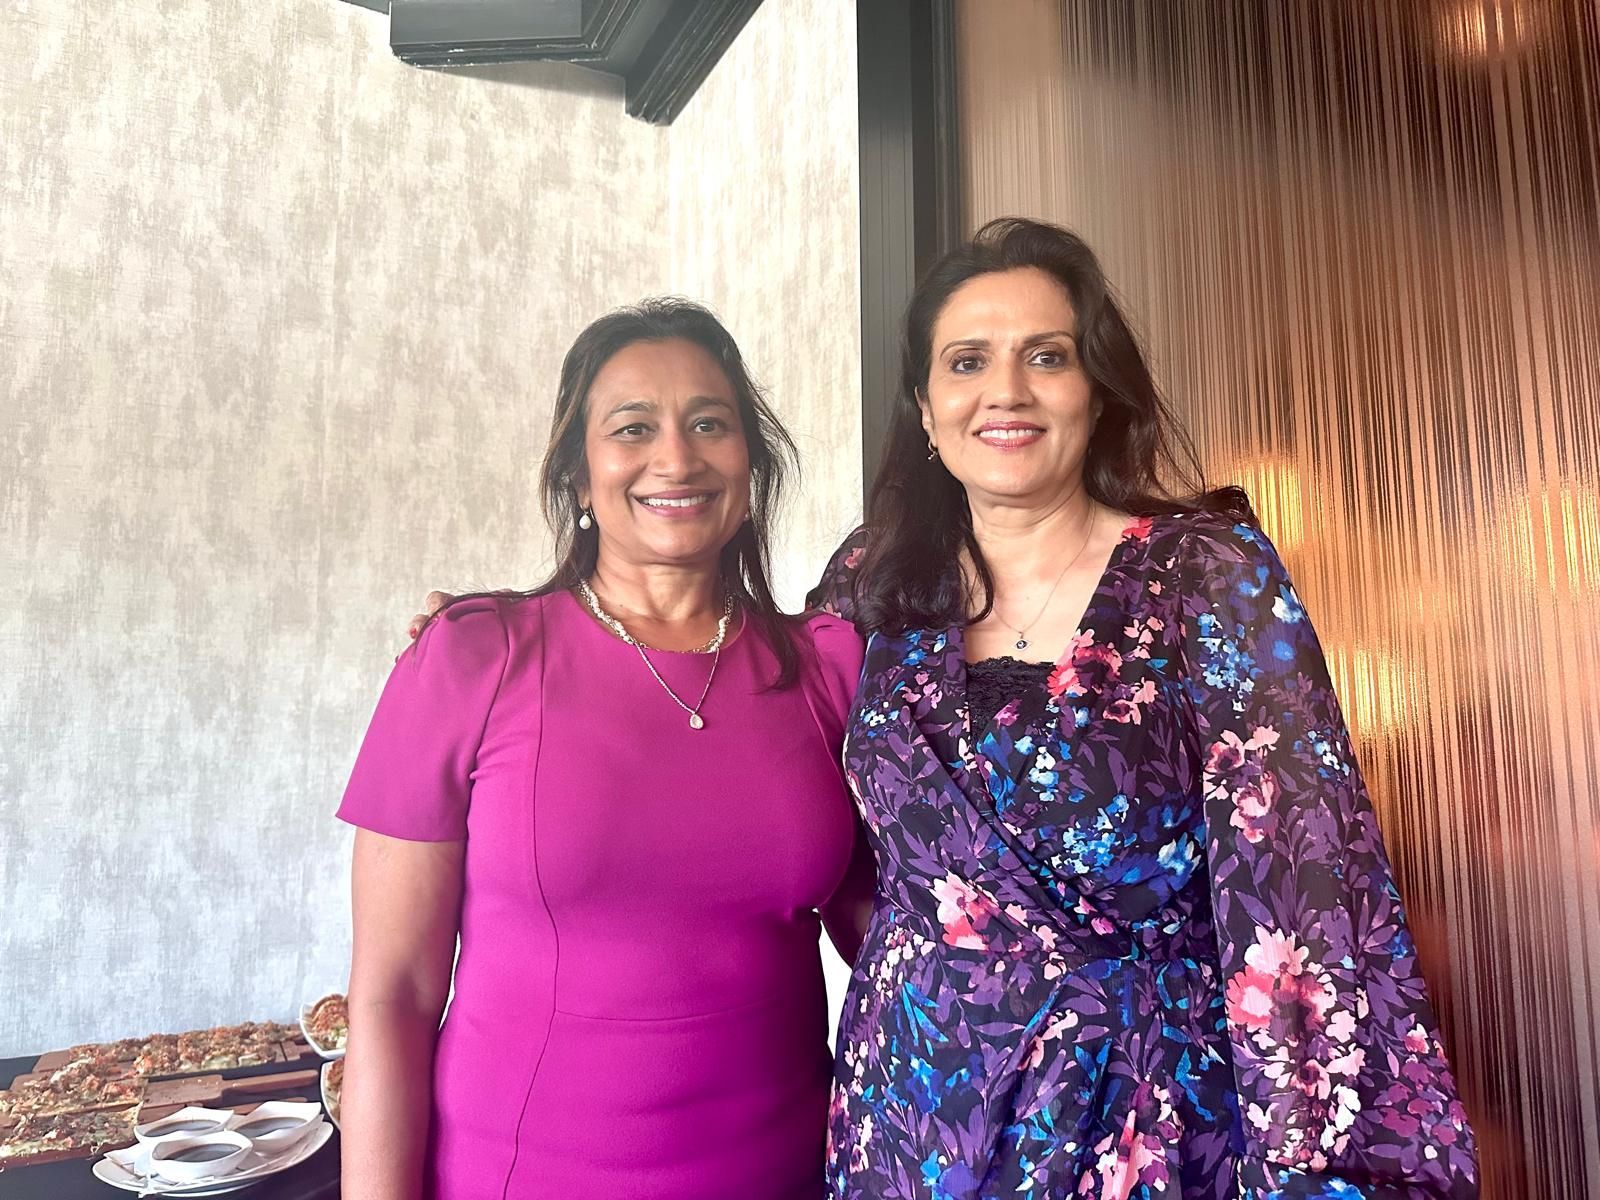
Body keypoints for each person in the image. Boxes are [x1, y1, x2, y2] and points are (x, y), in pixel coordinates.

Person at [809, 218, 1478, 1198]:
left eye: (1048, 356)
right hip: (915, 1104)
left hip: (1140, 1106)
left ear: (1095, 391)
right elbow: (818, 825)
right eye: (967, 361)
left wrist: (1313, 1163)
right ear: (923, 405)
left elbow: (1301, 882)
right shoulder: (871, 578)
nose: (1006, 391)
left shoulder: (1202, 573)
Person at [339, 298, 873, 1200]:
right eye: (633, 428)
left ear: (750, 464)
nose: (677, 456)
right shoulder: (472, 656)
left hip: (790, 1174)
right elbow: (392, 994)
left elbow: (901, 941)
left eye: (711, 423)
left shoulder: (828, 665)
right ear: (580, 478)